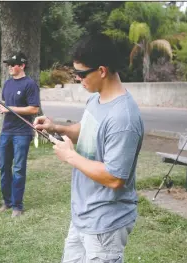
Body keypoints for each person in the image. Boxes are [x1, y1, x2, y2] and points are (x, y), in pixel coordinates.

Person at [34, 34, 144, 262]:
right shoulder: (96, 99)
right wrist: (57, 128)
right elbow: (86, 131)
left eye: (82, 74)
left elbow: (115, 178)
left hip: (105, 224)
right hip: (82, 215)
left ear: (102, 71)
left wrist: (70, 157)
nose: (78, 79)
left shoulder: (123, 118)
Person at [0, 51, 40, 218]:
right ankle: (7, 202)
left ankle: (17, 206)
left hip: (22, 133)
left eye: (13, 64)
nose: (10, 68)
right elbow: (6, 104)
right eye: (8, 65)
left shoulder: (30, 85)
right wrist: (0, 108)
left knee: (19, 169)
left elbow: (33, 108)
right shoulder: (7, 84)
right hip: (6, 131)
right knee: (3, 167)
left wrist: (10, 109)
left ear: (22, 65)